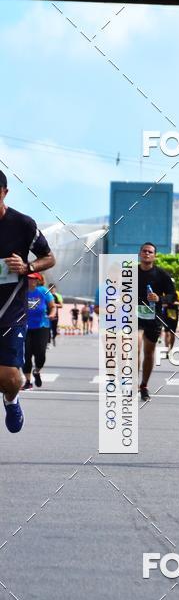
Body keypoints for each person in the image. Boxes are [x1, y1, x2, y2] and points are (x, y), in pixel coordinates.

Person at [0, 169, 55, 432]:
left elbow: (50, 258)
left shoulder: (22, 225)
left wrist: (26, 266)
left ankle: (11, 399)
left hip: (11, 311)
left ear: (5, 192)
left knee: (10, 378)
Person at [137, 242, 175, 401]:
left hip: (154, 317)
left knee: (149, 352)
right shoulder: (130, 273)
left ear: (155, 256)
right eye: (144, 251)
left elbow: (173, 295)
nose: (147, 254)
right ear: (140, 253)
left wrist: (160, 298)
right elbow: (118, 290)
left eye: (150, 252)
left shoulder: (162, 275)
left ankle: (144, 385)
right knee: (134, 347)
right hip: (134, 316)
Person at [22, 273, 55, 389]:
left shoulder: (43, 291)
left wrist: (52, 314)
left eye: (33, 279)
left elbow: (52, 306)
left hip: (42, 327)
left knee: (40, 354)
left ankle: (36, 371)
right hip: (24, 327)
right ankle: (27, 381)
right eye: (28, 278)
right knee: (26, 355)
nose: (31, 281)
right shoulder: (22, 291)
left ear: (38, 280)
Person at [163, 288, 179, 352]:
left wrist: (175, 303)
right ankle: (167, 349)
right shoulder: (164, 293)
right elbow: (161, 303)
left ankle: (171, 349)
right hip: (166, 313)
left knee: (172, 333)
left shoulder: (178, 293)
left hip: (174, 313)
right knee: (167, 332)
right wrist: (167, 303)